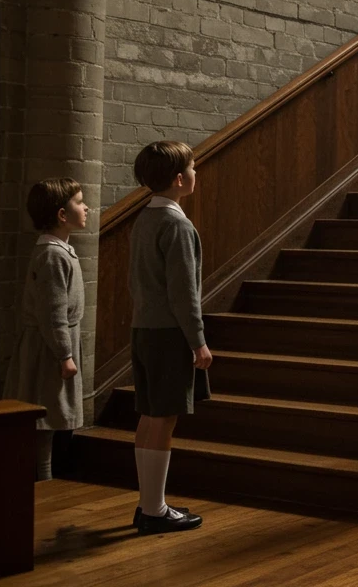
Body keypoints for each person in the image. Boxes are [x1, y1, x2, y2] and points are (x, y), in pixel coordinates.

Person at [128, 140, 210, 534]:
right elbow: (183, 292)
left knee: (149, 417)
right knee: (164, 420)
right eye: (193, 168)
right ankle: (155, 510)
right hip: (169, 334)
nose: (196, 173)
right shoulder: (177, 225)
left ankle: (148, 503)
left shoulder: (145, 219)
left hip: (144, 328)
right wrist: (198, 341)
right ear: (179, 179)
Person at [3, 178, 88, 481]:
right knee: (45, 417)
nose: (86, 206)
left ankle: (43, 481)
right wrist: (64, 354)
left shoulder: (62, 251)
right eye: (79, 202)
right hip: (49, 350)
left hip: (54, 345)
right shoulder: (52, 255)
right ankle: (41, 483)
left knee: (50, 417)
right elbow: (52, 314)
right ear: (62, 215)